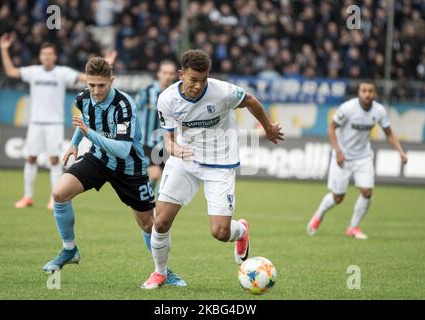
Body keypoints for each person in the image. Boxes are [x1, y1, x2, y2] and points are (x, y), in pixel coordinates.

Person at [141, 49, 284, 289]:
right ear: (181, 75)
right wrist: (175, 150)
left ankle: (241, 231)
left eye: (203, 79)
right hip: (185, 160)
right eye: (193, 80)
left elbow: (250, 100)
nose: (198, 86)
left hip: (220, 163)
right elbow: (169, 140)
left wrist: (268, 127)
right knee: (161, 222)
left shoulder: (223, 91)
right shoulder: (166, 99)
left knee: (219, 232)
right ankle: (160, 272)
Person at [42, 57, 186, 287]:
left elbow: (122, 149)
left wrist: (88, 134)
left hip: (129, 167)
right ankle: (69, 250)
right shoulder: (83, 98)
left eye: (101, 85)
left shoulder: (124, 104)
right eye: (91, 85)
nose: (96, 91)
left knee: (149, 224)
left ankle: (164, 272)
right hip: (99, 159)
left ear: (112, 80)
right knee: (59, 193)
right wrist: (74, 143)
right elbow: (84, 121)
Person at [0, 32, 116, 210]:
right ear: (40, 56)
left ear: (55, 56)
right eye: (44, 54)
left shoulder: (62, 73)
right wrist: (3, 49)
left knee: (54, 159)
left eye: (50, 54)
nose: (46, 57)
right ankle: (27, 196)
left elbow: (90, 79)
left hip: (54, 123)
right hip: (35, 123)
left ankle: (53, 198)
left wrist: (106, 64)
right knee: (31, 158)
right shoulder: (33, 72)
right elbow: (10, 71)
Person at [307, 81, 408, 239]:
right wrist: (338, 151)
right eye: (364, 91)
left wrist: (400, 152)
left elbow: (389, 133)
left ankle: (353, 228)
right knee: (338, 197)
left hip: (363, 157)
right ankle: (318, 215)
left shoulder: (379, 111)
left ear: (375, 94)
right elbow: (331, 128)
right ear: (359, 93)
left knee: (367, 191)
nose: (367, 94)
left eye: (370, 91)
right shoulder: (347, 108)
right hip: (343, 156)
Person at [136, 60, 177, 195]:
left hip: (167, 144)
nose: (168, 76)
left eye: (171, 73)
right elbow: (135, 111)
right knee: (154, 174)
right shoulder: (147, 92)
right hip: (149, 142)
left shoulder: (177, 95)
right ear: (159, 74)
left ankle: (151, 206)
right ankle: (145, 204)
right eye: (165, 73)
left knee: (168, 180)